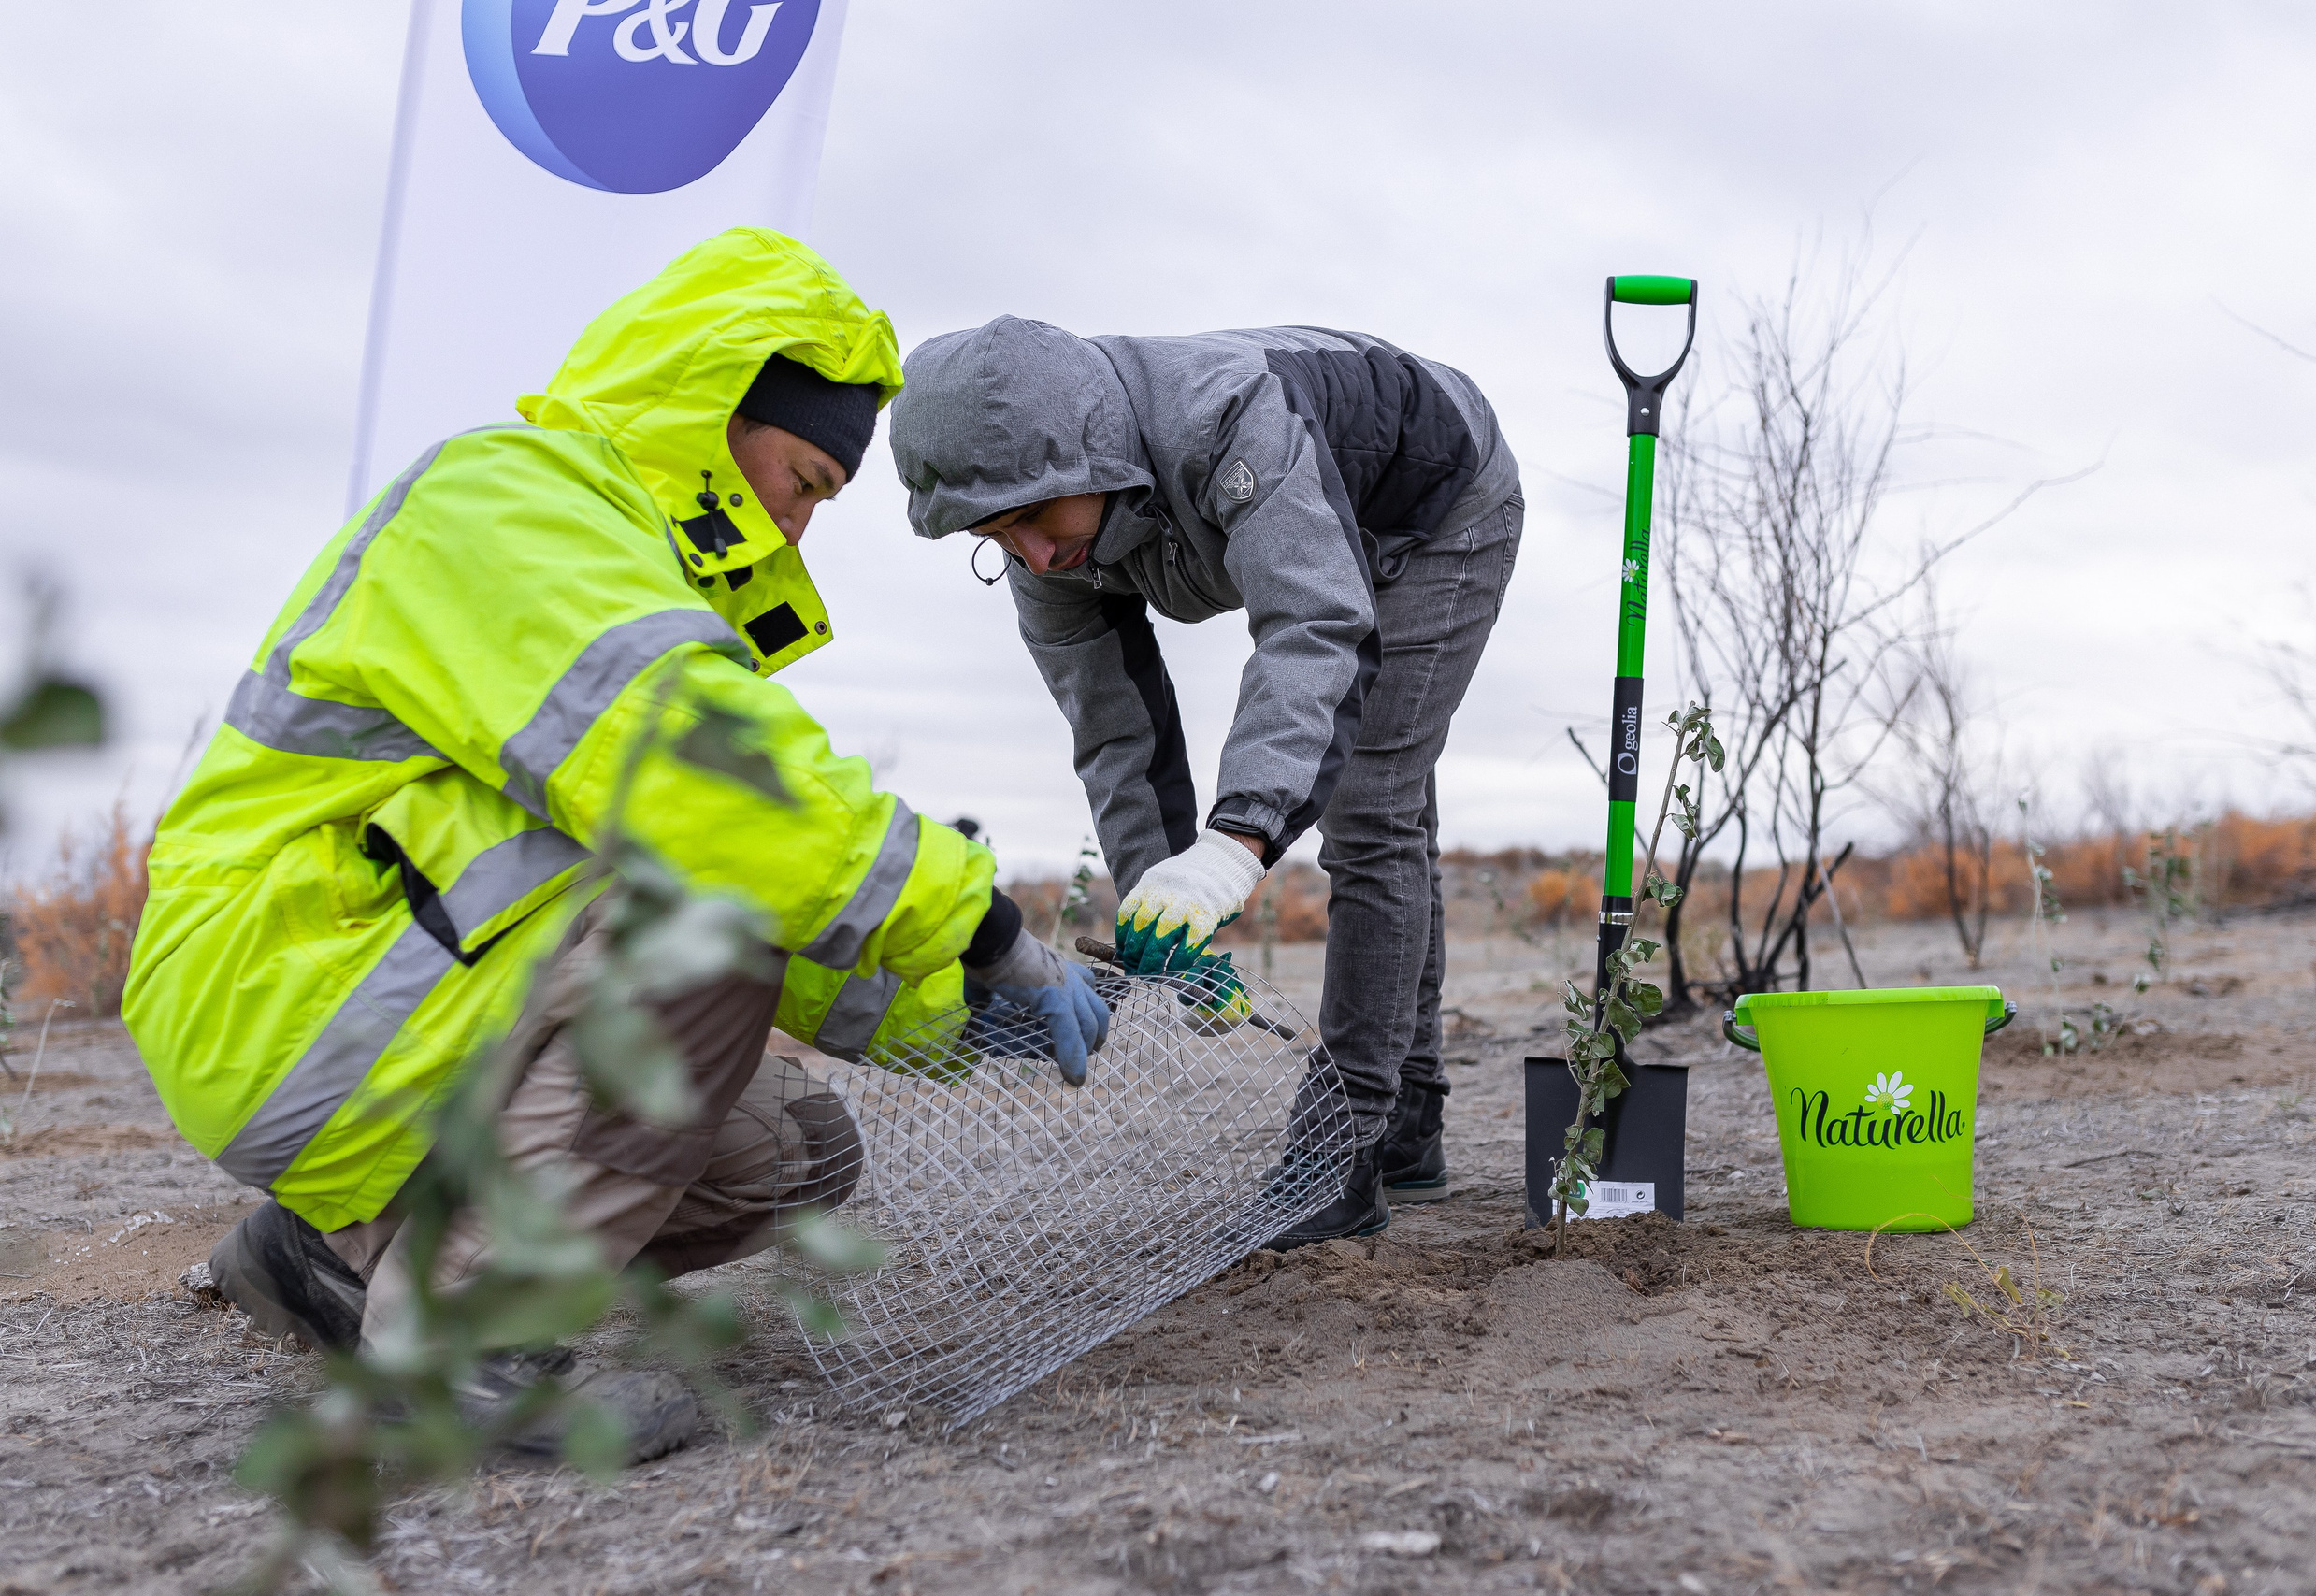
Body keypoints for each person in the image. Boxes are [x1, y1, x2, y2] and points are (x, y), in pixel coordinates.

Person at [123, 230, 1107, 1459]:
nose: (798, 531)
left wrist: (944, 1009)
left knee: (791, 1154)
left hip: (377, 995)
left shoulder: (613, 563)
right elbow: (709, 790)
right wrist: (981, 918)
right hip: (282, 990)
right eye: (803, 479)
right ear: (713, 409)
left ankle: (330, 1250)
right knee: (713, 904)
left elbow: (717, 876)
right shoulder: (502, 499)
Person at [892, 318, 1521, 1249]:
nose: (1030, 553)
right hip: (1328, 518)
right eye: (995, 535)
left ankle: (1340, 1147)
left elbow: (1313, 630)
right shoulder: (1045, 533)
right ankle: (1409, 1124)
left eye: (1035, 519)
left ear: (1090, 454)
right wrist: (1168, 908)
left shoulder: (1225, 420)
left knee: (1372, 806)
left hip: (1434, 508)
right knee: (1380, 799)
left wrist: (1234, 845)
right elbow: (1115, 732)